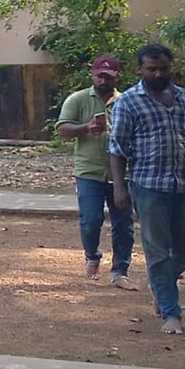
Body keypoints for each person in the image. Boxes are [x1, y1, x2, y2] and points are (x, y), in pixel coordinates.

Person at [109, 43, 185, 334]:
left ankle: (161, 283)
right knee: (157, 251)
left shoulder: (182, 97)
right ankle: (172, 314)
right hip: (148, 185)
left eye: (163, 68)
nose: (158, 73)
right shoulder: (128, 102)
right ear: (140, 70)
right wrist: (119, 187)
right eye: (151, 69)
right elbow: (117, 148)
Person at [57, 55, 134, 290]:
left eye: (108, 76)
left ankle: (120, 270)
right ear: (93, 75)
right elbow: (62, 130)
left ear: (116, 77)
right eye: (99, 75)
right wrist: (86, 127)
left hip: (123, 172)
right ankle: (92, 256)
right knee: (91, 220)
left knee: (123, 223)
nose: (103, 80)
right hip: (89, 170)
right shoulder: (78, 99)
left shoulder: (127, 101)